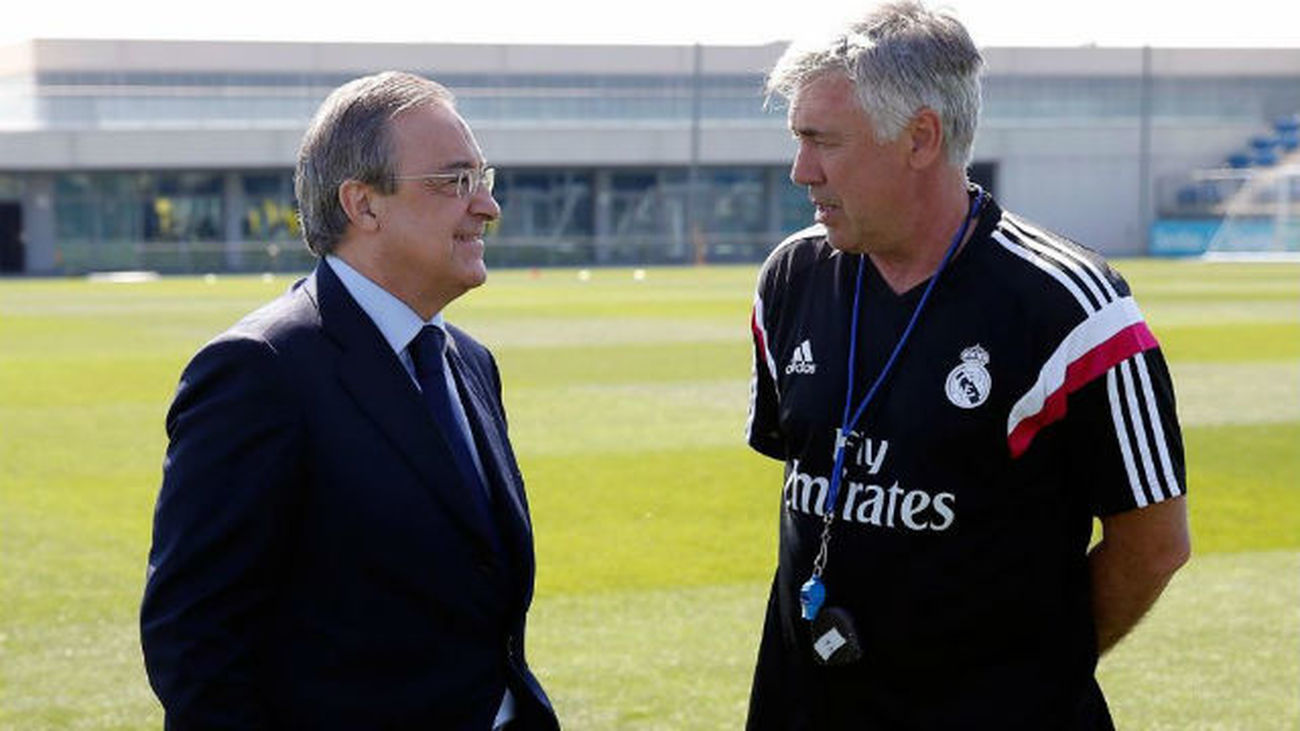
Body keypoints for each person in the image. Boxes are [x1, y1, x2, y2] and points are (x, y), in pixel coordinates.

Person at [744, 3, 1190, 728]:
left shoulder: (1070, 307)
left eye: (823, 141)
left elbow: (1155, 540)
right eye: (798, 139)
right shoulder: (790, 279)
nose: (802, 170)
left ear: (921, 137)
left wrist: (1029, 673)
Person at [141, 71, 559, 730]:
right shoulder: (259, 371)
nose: (486, 205)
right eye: (455, 181)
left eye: (484, 179)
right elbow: (195, 645)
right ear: (364, 205)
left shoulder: (470, 361)